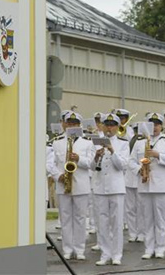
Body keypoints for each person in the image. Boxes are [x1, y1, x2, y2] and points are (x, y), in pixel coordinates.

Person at [130, 113, 165, 259]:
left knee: (160, 219)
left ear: (162, 126)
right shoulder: (140, 142)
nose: (155, 127)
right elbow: (131, 161)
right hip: (145, 184)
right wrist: (139, 170)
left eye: (158, 124)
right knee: (147, 219)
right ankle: (148, 248)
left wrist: (158, 155)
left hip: (161, 185)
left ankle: (159, 248)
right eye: (152, 124)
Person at [47, 111, 93, 260]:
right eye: (69, 123)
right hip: (63, 184)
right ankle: (67, 249)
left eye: (74, 123)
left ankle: (79, 249)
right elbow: (50, 163)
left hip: (81, 185)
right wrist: (57, 175)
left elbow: (91, 164)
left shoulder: (87, 142)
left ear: (79, 125)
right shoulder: (57, 141)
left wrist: (78, 158)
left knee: (80, 219)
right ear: (63, 124)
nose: (71, 125)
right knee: (65, 218)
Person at [90, 113, 129, 266]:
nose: (109, 127)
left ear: (117, 127)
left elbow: (122, 166)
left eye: (112, 125)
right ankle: (105, 254)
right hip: (100, 187)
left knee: (117, 223)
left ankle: (117, 254)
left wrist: (112, 151)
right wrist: (96, 156)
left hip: (116, 187)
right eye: (107, 124)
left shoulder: (123, 143)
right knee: (102, 223)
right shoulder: (96, 143)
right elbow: (92, 167)